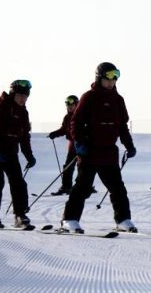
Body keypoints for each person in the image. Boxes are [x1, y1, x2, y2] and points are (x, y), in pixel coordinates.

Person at [61, 62, 137, 233]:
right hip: (90, 151)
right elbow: (75, 123)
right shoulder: (89, 97)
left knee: (117, 188)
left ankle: (123, 219)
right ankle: (69, 219)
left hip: (109, 152)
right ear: (99, 77)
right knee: (83, 187)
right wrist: (79, 143)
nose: (112, 82)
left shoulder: (118, 100)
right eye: (108, 78)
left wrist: (129, 146)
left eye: (115, 77)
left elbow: (122, 126)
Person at [0, 80, 36, 229]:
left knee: (18, 183)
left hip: (10, 153)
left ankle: (20, 216)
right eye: (20, 95)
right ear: (13, 94)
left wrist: (29, 156)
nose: (23, 99)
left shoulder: (23, 112)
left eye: (25, 96)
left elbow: (24, 137)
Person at [47, 95, 97, 196]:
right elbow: (64, 130)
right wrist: (54, 134)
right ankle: (66, 187)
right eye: (67, 105)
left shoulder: (83, 115)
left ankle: (85, 186)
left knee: (82, 166)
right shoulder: (67, 117)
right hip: (72, 145)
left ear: (77, 105)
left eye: (72, 104)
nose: (69, 106)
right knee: (68, 166)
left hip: (82, 145)